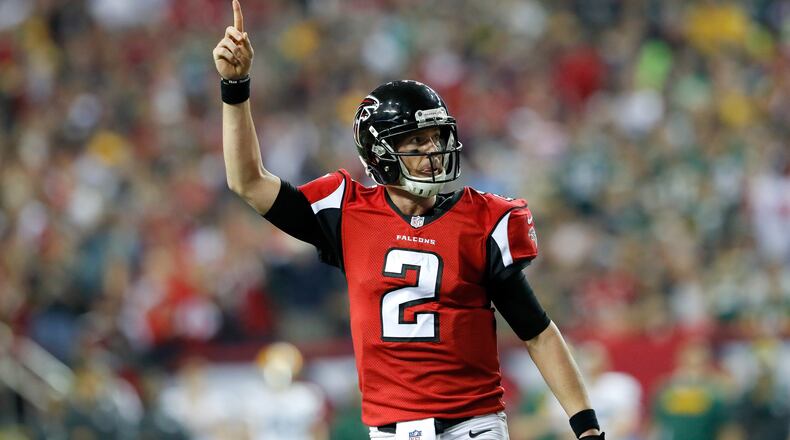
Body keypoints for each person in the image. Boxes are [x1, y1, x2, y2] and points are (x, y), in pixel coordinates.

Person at [212, 1, 605, 439]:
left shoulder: (483, 220)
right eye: (416, 142)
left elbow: (537, 332)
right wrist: (235, 86)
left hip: (471, 427)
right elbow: (248, 181)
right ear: (380, 153)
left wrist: (586, 427)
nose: (432, 153)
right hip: (391, 431)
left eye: (437, 138)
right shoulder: (345, 211)